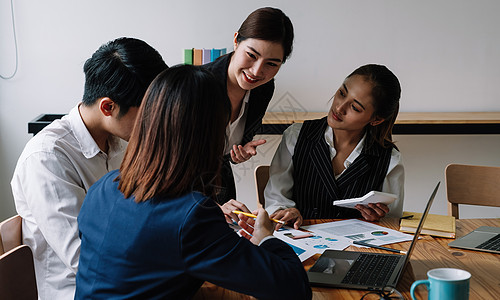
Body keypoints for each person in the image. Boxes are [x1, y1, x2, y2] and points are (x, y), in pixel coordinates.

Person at [75, 65, 312, 300]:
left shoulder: (102, 188)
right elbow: (294, 288)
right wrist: (266, 237)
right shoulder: (192, 216)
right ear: (210, 135)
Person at [10, 37, 168, 299]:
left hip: (124, 277)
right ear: (108, 107)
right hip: (80, 290)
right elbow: (85, 258)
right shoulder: (47, 158)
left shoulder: (119, 140)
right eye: (148, 114)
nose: (154, 124)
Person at [264, 64, 404, 229]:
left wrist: (377, 218)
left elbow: (393, 222)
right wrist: (286, 212)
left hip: (356, 249)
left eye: (355, 107)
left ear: (376, 120)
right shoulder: (296, 137)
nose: (339, 107)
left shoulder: (389, 159)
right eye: (342, 93)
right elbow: (275, 200)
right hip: (300, 242)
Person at [202, 7, 294, 219]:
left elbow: (225, 150)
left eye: (272, 64)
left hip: (221, 188)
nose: (257, 71)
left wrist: (236, 153)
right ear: (236, 41)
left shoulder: (263, 89)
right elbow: (170, 161)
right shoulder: (197, 84)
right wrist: (210, 206)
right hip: (182, 194)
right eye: (251, 55)